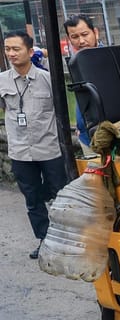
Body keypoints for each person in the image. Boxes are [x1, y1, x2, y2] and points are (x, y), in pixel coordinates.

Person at [0, 31, 68, 259]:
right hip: (20, 151)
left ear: (30, 52)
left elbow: (60, 111)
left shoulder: (48, 79)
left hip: (48, 149)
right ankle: (44, 240)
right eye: (7, 49)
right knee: (32, 200)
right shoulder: (2, 81)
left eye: (16, 49)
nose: (11, 53)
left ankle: (65, 240)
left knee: (59, 194)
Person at [64, 15, 103, 151]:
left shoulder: (109, 57)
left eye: (85, 34)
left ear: (95, 32)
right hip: (86, 137)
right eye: (74, 37)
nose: (81, 41)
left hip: (109, 134)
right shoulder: (75, 63)